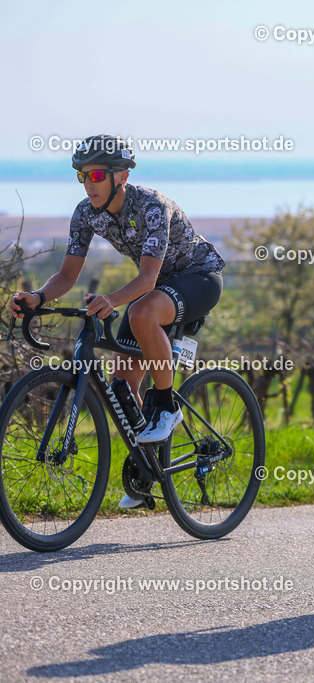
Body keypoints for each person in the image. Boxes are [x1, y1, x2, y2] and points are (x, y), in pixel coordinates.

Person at [8, 135, 225, 508]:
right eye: (82, 176)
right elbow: (67, 274)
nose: (89, 183)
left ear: (121, 175)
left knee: (140, 311)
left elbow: (147, 280)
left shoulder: (151, 206)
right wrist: (39, 297)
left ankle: (168, 406)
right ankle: (146, 470)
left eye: (96, 175)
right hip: (155, 286)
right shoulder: (85, 213)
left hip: (197, 277)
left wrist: (111, 299)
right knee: (121, 386)